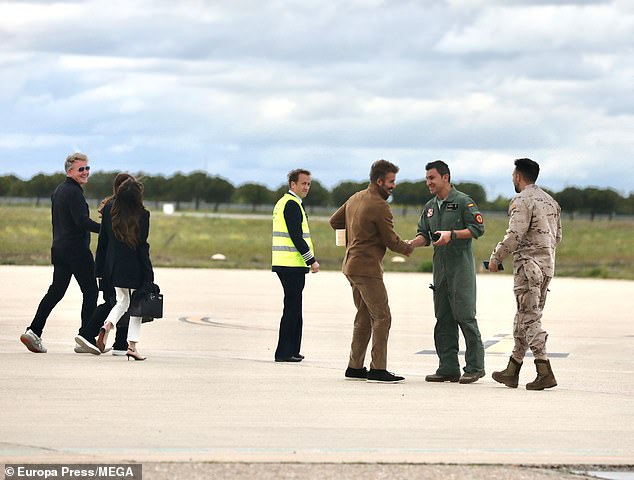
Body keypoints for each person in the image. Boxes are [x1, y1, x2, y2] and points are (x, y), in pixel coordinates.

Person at [329, 160, 414, 383]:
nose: (393, 186)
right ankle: (378, 369)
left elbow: (334, 221)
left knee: (364, 316)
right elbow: (390, 239)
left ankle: (355, 366)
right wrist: (411, 246)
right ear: (379, 181)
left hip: (350, 265)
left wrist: (353, 238)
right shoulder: (379, 205)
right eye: (391, 182)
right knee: (382, 316)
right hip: (367, 268)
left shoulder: (355, 197)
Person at [487, 158, 562, 390]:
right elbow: (557, 237)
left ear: (518, 176)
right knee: (523, 317)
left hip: (527, 268)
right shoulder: (551, 202)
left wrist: (496, 257)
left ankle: (544, 369)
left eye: (513, 175)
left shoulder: (522, 199)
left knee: (529, 319)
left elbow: (515, 235)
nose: (512, 178)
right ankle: (513, 369)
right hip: (546, 267)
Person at [409, 160, 486, 384]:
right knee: (443, 318)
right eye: (426, 178)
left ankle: (475, 367)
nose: (428, 183)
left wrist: (451, 235)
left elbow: (477, 229)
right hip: (439, 271)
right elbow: (424, 233)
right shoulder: (430, 207)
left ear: (445, 177)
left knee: (465, 317)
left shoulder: (463, 202)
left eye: (432, 178)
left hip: (460, 269)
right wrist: (412, 244)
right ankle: (448, 367)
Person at [20, 152, 100, 353]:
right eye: (81, 169)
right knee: (91, 291)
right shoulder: (73, 192)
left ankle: (34, 330)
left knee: (56, 291)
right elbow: (81, 221)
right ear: (70, 171)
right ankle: (86, 336)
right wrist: (106, 229)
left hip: (60, 249)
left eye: (87, 168)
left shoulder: (60, 190)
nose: (85, 172)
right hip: (76, 250)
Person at [93, 177, 155, 361]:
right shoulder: (143, 215)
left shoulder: (109, 211)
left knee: (122, 301)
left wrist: (100, 271)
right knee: (137, 306)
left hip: (113, 267)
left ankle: (107, 325)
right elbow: (143, 247)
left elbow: (102, 242)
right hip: (134, 267)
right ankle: (132, 346)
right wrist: (148, 274)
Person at [74, 173, 134, 355]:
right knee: (117, 303)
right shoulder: (125, 210)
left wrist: (99, 269)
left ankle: (120, 343)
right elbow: (106, 242)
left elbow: (102, 243)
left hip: (108, 265)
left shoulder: (110, 207)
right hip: (119, 266)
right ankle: (88, 333)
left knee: (117, 302)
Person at [271, 169, 319, 362]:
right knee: (292, 308)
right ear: (293, 185)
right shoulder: (291, 204)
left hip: (289, 264)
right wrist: (311, 260)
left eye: (308, 184)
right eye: (303, 184)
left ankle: (292, 350)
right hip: (291, 264)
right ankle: (283, 352)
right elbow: (296, 237)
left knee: (294, 307)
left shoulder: (290, 203)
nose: (306, 187)